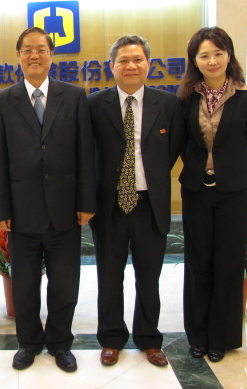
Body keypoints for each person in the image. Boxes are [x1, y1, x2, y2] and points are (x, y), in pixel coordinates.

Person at [0, 27, 96, 372]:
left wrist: (86, 201)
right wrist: (0, 210)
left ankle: (60, 343)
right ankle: (29, 343)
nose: (34, 55)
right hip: (21, 212)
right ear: (18, 56)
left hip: (65, 210)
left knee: (65, 282)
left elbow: (85, 153)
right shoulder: (2, 101)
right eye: (27, 50)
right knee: (24, 284)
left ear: (52, 55)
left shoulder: (75, 96)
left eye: (41, 49)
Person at [87, 36, 183, 368]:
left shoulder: (167, 105)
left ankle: (148, 339)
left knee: (148, 277)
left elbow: (170, 153)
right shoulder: (94, 104)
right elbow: (88, 156)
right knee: (109, 277)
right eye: (124, 60)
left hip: (149, 204)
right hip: (109, 205)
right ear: (111, 66)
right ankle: (111, 338)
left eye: (138, 59)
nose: (131, 65)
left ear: (148, 64)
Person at [178, 26, 247, 363]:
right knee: (198, 263)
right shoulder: (187, 97)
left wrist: (242, 179)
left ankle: (223, 338)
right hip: (197, 191)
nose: (212, 60)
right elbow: (183, 144)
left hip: (234, 193)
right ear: (195, 61)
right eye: (205, 55)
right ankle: (198, 336)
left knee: (228, 264)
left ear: (228, 55)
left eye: (218, 53)